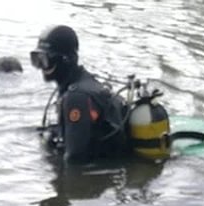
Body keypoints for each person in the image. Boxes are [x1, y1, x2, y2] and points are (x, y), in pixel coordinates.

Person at [31, 25, 130, 164]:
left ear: (64, 60)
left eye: (45, 60)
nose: (41, 67)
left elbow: (74, 160)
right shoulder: (81, 81)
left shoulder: (76, 97)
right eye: (36, 59)